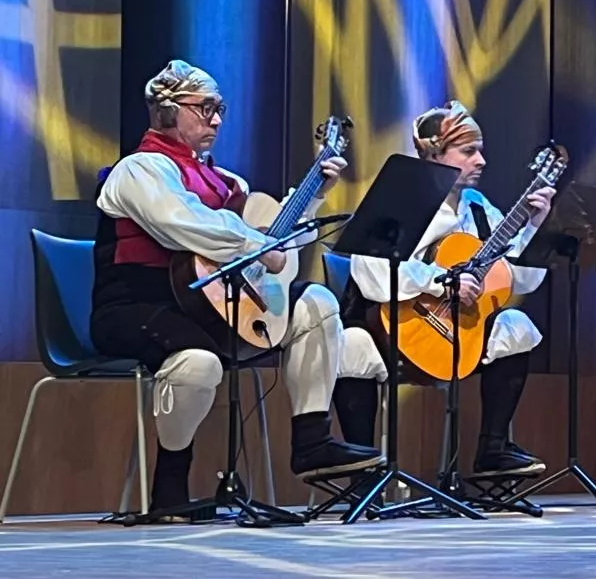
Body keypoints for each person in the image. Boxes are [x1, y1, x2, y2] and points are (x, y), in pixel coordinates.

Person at [91, 60, 381, 513]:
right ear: (167, 110)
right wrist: (258, 242)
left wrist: (314, 195)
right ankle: (170, 486)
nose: (217, 120)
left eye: (219, 108)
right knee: (196, 363)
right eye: (204, 108)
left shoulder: (230, 183)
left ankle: (311, 438)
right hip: (137, 304)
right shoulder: (139, 169)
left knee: (317, 303)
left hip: (211, 308)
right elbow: (182, 224)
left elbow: (276, 242)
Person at [332, 102, 554, 477]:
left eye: (480, 150)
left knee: (517, 325)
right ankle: (361, 470)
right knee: (351, 344)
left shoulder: (478, 208)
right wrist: (441, 282)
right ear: (434, 153)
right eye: (469, 151)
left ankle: (493, 452)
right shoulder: (402, 198)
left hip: (456, 335)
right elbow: (370, 272)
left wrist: (533, 227)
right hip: (392, 329)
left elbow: (517, 279)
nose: (481, 160)